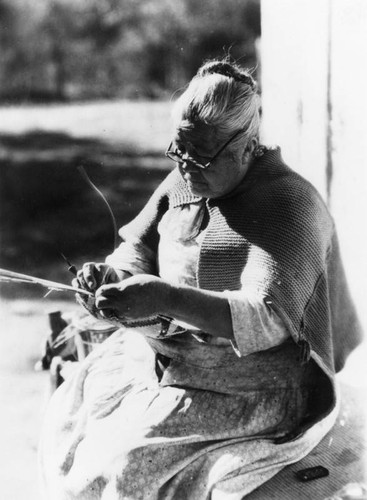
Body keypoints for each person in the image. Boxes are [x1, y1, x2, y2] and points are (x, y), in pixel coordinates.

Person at [39, 60, 362, 500]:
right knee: (73, 426)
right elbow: (140, 246)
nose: (187, 165)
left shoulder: (289, 206)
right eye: (179, 149)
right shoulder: (187, 179)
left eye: (202, 154)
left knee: (125, 474)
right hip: (172, 366)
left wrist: (167, 299)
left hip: (250, 393)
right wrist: (112, 274)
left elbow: (265, 318)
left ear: (247, 146)